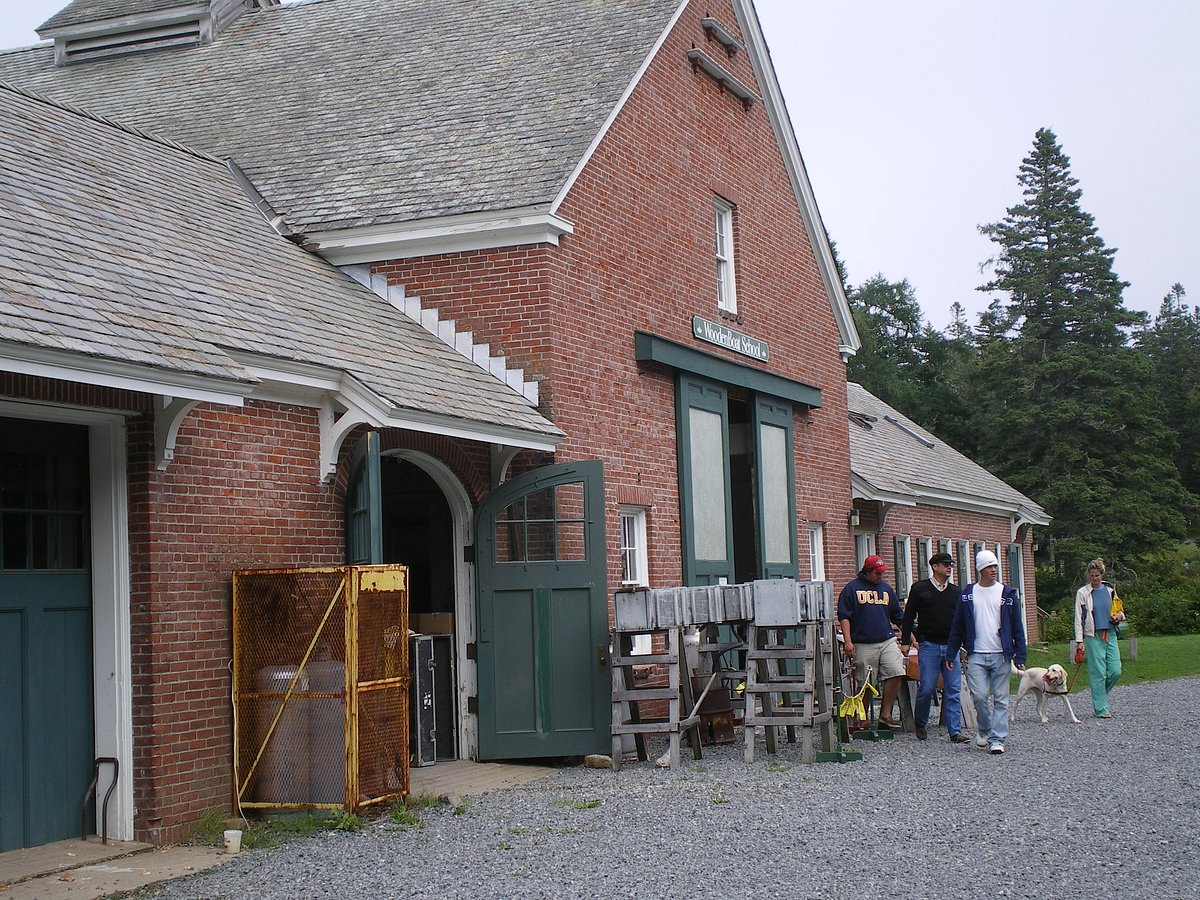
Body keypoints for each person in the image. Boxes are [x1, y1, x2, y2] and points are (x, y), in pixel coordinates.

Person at [944, 549, 1027, 754]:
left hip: (1001, 653)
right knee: (980, 696)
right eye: (989, 566)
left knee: (1001, 698)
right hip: (976, 654)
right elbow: (957, 626)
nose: (993, 570)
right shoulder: (968, 595)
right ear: (980, 568)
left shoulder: (1007, 594)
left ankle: (997, 739)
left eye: (995, 566)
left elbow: (1017, 625)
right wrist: (951, 653)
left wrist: (1020, 654)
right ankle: (984, 729)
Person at [901, 552, 968, 742]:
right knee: (927, 687)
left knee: (953, 689)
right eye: (945, 564)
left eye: (951, 565)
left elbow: (963, 620)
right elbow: (908, 617)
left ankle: (954, 731)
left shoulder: (956, 592)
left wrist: (965, 644)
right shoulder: (920, 589)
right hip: (928, 645)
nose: (949, 568)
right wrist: (906, 640)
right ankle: (920, 722)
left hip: (951, 647)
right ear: (935, 567)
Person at [838, 554, 905, 729]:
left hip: (887, 639)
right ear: (867, 572)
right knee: (865, 682)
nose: (880, 576)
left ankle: (885, 714)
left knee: (896, 670)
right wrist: (848, 641)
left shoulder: (886, 589)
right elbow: (844, 617)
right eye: (877, 573)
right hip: (862, 642)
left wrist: (910, 638)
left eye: (882, 573)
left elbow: (898, 617)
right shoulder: (851, 589)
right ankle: (861, 717)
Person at [1073, 558, 1125, 718]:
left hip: (1109, 632)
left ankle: (1099, 695)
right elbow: (1079, 618)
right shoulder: (1082, 593)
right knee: (1099, 673)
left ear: (1102, 574)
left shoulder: (1110, 590)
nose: (1094, 578)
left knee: (1115, 670)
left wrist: (1119, 616)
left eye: (1097, 575)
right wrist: (1079, 641)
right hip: (1092, 635)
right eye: (1092, 575)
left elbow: (1121, 610)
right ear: (1088, 575)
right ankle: (1101, 708)